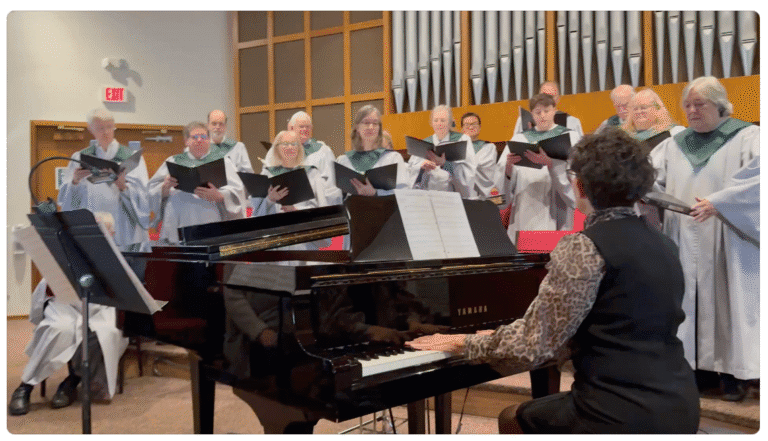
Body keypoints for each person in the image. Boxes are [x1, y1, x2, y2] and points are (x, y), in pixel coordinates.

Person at [407, 129, 701, 434]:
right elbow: (613, 323)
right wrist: (501, 336)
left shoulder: (584, 246)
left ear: (580, 186)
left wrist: (462, 341)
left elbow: (533, 345)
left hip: (616, 409)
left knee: (512, 417)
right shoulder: (664, 243)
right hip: (679, 402)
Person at [649, 76, 759, 401]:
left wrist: (720, 203)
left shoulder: (748, 137)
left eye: (700, 104)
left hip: (728, 236)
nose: (692, 111)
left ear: (720, 106)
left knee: (727, 304)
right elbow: (651, 178)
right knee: (687, 301)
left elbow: (760, 180)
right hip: (683, 235)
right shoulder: (674, 144)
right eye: (687, 105)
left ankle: (732, 376)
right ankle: (693, 372)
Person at [9, 213, 129, 416]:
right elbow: (47, 285)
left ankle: (71, 382)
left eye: (101, 230)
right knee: (60, 329)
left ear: (111, 233)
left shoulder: (117, 257)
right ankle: (25, 387)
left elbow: (125, 292)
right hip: (65, 307)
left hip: (99, 311)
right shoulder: (68, 251)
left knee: (105, 333)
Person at [57, 108, 151, 248]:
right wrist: (75, 181)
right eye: (100, 128)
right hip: (93, 228)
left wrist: (123, 187)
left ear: (114, 126)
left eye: (109, 127)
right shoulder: (79, 158)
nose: (106, 132)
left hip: (124, 229)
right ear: (91, 129)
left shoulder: (132, 158)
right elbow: (67, 203)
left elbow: (144, 197)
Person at [496, 93, 579, 244]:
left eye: (546, 111)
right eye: (538, 112)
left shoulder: (570, 137)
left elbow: (576, 175)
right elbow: (503, 177)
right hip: (525, 205)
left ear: (554, 110)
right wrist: (508, 167)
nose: (542, 116)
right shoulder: (520, 138)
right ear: (532, 114)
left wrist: (552, 164)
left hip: (555, 204)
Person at [147, 121, 247, 244]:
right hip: (176, 223)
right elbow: (150, 191)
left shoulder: (223, 162)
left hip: (209, 222)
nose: (199, 140)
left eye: (203, 136)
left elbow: (238, 190)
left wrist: (220, 196)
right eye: (194, 137)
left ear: (209, 140)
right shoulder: (173, 161)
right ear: (186, 141)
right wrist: (164, 188)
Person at [335, 105, 409, 198]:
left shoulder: (392, 158)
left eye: (375, 123)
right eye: (366, 123)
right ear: (357, 127)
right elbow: (334, 196)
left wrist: (376, 193)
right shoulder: (344, 161)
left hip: (384, 207)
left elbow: (404, 193)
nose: (371, 127)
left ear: (379, 128)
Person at [407, 105, 478, 199]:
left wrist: (445, 164)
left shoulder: (462, 140)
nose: (439, 124)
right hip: (430, 195)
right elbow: (410, 171)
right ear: (431, 123)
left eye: (443, 120)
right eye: (436, 120)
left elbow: (469, 172)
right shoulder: (423, 144)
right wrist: (422, 167)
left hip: (453, 196)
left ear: (450, 123)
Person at [513, 82, 583, 136]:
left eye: (551, 96)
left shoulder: (572, 121)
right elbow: (514, 143)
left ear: (558, 98)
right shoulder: (523, 120)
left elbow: (580, 148)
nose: (547, 100)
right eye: (544, 95)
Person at [460, 112, 498, 199]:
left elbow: (487, 170)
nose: (471, 127)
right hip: (463, 195)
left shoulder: (489, 147)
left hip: (483, 195)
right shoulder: (457, 148)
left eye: (474, 124)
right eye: (467, 125)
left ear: (480, 127)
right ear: (462, 129)